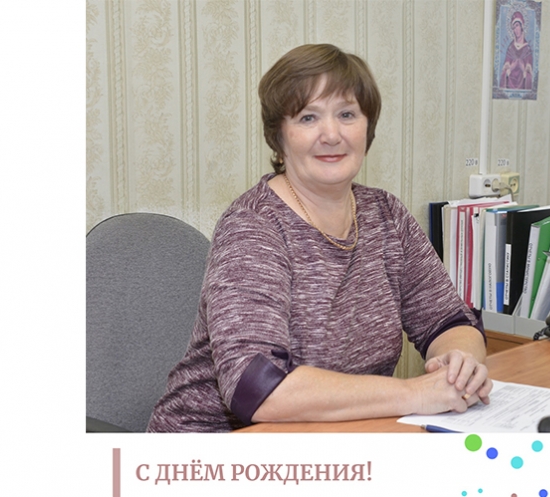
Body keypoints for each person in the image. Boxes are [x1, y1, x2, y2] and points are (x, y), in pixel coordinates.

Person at [147, 44, 492, 433]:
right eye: (308, 117)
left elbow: (449, 321)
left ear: (367, 129)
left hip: (339, 436)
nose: (331, 134)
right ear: (279, 137)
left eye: (347, 114)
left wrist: (460, 365)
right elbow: (255, 388)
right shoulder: (253, 226)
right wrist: (414, 393)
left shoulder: (387, 216)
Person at [499, 11, 534, 90]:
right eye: (514, 28)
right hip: (510, 86)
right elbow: (504, 73)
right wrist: (511, 68)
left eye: (517, 25)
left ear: (522, 26)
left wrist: (523, 70)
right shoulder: (510, 48)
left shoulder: (527, 49)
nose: (516, 30)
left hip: (522, 87)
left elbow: (530, 76)